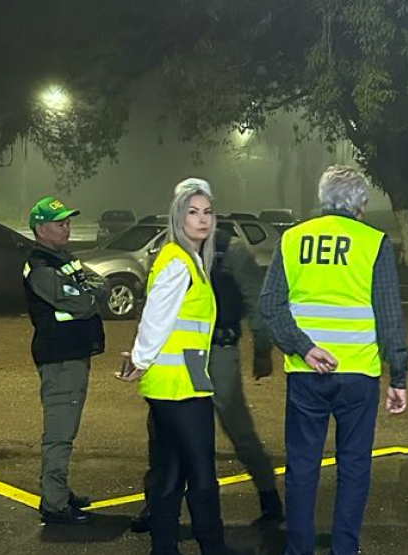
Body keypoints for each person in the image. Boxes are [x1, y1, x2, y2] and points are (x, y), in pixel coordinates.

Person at [259, 165, 408, 555]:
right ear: (360, 202)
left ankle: (299, 549)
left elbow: (270, 306)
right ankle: (345, 548)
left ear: (323, 198)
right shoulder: (374, 242)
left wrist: (304, 347)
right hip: (358, 374)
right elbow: (390, 315)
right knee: (354, 466)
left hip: (306, 374)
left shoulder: (293, 239)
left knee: (303, 468)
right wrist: (400, 376)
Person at [130, 225, 283, 533]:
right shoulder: (169, 247)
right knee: (164, 433)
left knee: (236, 427)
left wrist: (263, 347)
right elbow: (153, 304)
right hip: (178, 354)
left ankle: (268, 496)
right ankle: (158, 505)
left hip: (217, 351)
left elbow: (255, 297)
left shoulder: (231, 249)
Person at [118, 178, 230, 555]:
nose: (202, 220)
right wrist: (140, 358)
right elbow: (155, 317)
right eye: (192, 212)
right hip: (179, 387)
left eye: (207, 212)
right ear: (178, 217)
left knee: (170, 470)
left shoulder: (190, 259)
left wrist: (142, 360)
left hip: (176, 383)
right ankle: (212, 547)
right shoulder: (178, 262)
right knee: (200, 474)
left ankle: (163, 548)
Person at [23, 196, 107, 525]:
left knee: (66, 428)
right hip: (60, 358)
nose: (67, 228)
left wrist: (87, 294)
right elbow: (85, 302)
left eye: (69, 222)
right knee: (60, 431)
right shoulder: (41, 267)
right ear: (41, 229)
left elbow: (98, 285)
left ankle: (58, 490)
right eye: (61, 223)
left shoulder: (62, 259)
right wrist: (86, 295)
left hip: (73, 353)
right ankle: (55, 503)